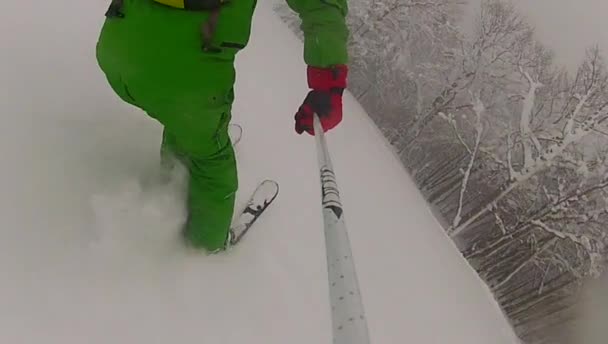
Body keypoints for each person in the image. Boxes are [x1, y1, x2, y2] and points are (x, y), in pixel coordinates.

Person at [95, 0, 349, 253]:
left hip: (117, 48)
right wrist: (328, 82)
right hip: (182, 81)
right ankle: (204, 249)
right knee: (213, 163)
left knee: (184, 120)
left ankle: (173, 179)